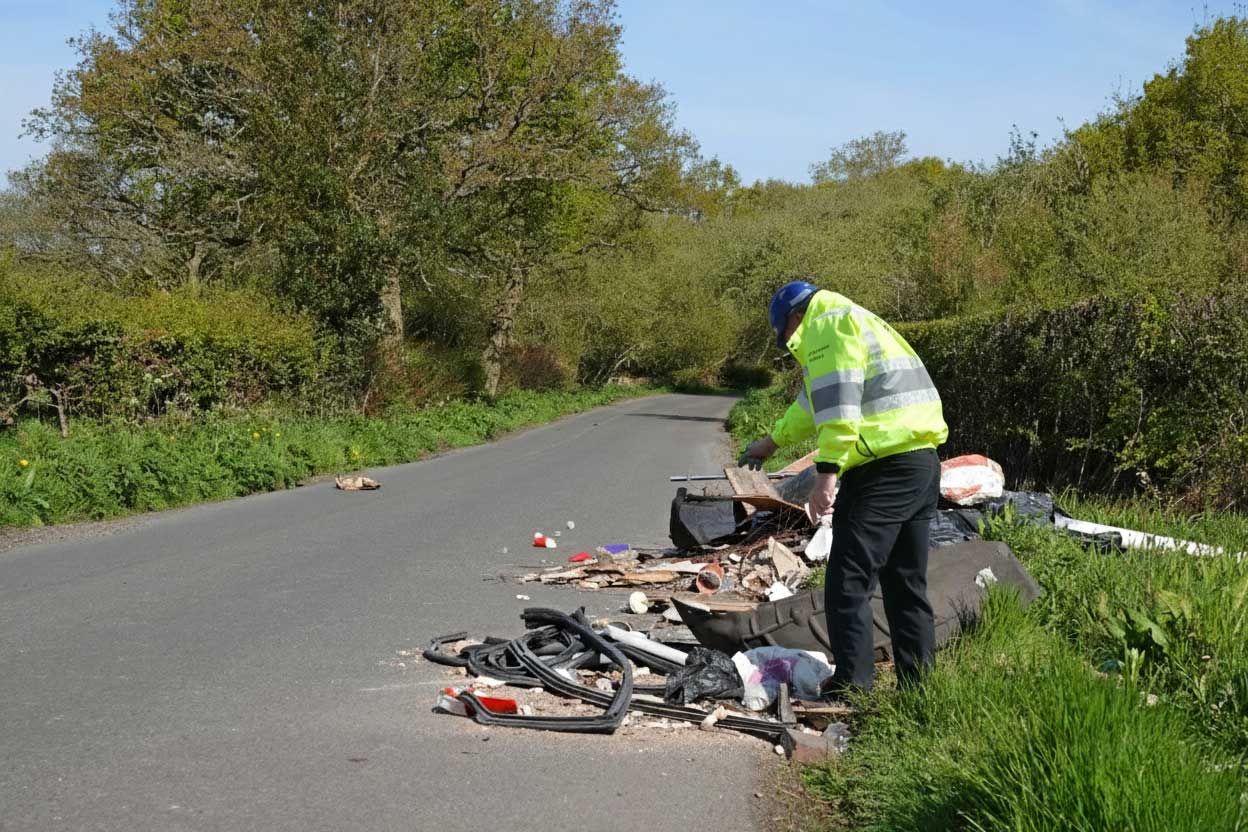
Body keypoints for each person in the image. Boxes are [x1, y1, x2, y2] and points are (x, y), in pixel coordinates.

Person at [739, 279, 948, 695]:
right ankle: (920, 691)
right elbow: (810, 406)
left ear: (794, 318)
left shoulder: (825, 327)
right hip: (920, 462)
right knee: (906, 584)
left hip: (881, 470)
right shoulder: (854, 320)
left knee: (847, 582)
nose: (791, 343)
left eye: (786, 337)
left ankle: (853, 689)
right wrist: (769, 443)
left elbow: (838, 409)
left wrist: (826, 478)